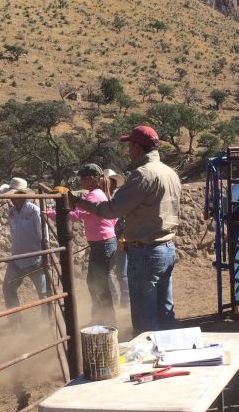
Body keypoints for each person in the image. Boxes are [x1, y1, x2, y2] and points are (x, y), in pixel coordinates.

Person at [70, 125, 181, 333]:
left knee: (144, 317)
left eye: (130, 146)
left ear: (137, 147)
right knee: (165, 311)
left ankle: (148, 350)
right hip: (167, 247)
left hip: (146, 251)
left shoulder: (142, 175)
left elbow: (112, 209)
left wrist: (78, 202)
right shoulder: (170, 173)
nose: (129, 151)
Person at [47, 164, 118, 324]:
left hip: (102, 244)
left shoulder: (93, 196)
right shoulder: (99, 193)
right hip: (103, 242)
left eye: (82, 178)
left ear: (90, 179)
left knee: (99, 283)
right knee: (96, 282)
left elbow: (76, 215)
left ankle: (106, 320)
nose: (80, 181)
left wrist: (50, 213)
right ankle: (102, 319)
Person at [0, 177, 50, 324]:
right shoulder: (12, 212)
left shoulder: (34, 211)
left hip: (34, 258)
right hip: (17, 258)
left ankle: (47, 321)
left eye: (13, 194)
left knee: (44, 293)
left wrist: (44, 256)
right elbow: (13, 233)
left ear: (22, 195)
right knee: (8, 288)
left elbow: (43, 236)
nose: (11, 198)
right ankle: (16, 322)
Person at [102, 168, 130, 308]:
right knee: (115, 271)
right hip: (113, 237)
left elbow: (123, 217)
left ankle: (124, 300)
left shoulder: (116, 197)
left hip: (119, 238)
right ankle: (120, 299)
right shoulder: (110, 197)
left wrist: (123, 235)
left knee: (120, 272)